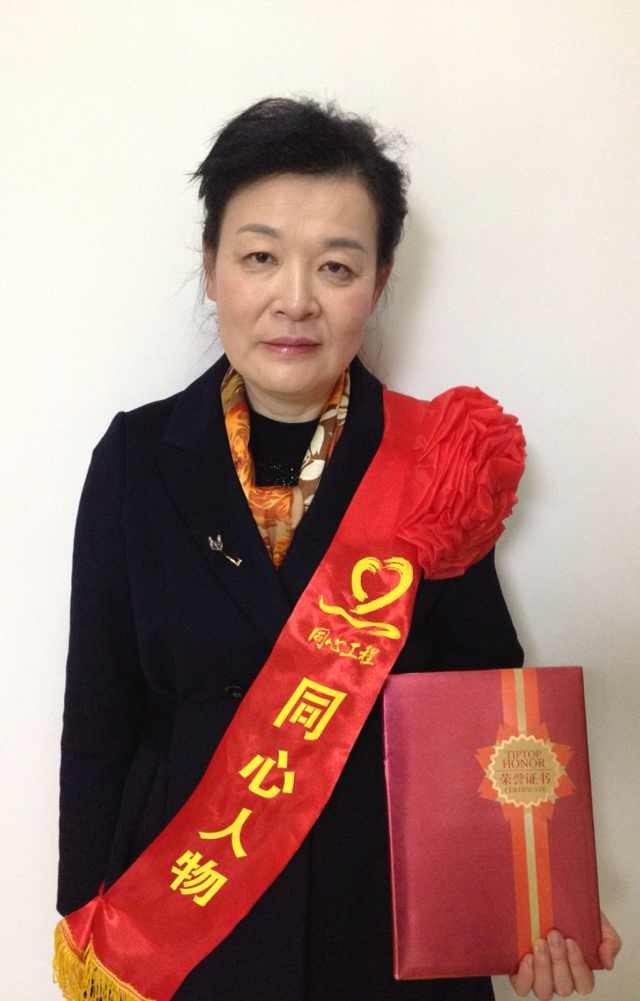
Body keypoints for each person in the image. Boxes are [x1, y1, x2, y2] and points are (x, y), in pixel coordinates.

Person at [54, 96, 621, 1001]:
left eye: (336, 266)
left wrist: (532, 896)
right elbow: (99, 718)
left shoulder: (438, 460)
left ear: (380, 279)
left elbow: (489, 710)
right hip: (187, 923)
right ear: (211, 267)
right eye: (260, 256)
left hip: (390, 928)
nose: (295, 299)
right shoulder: (137, 458)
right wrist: (90, 931)